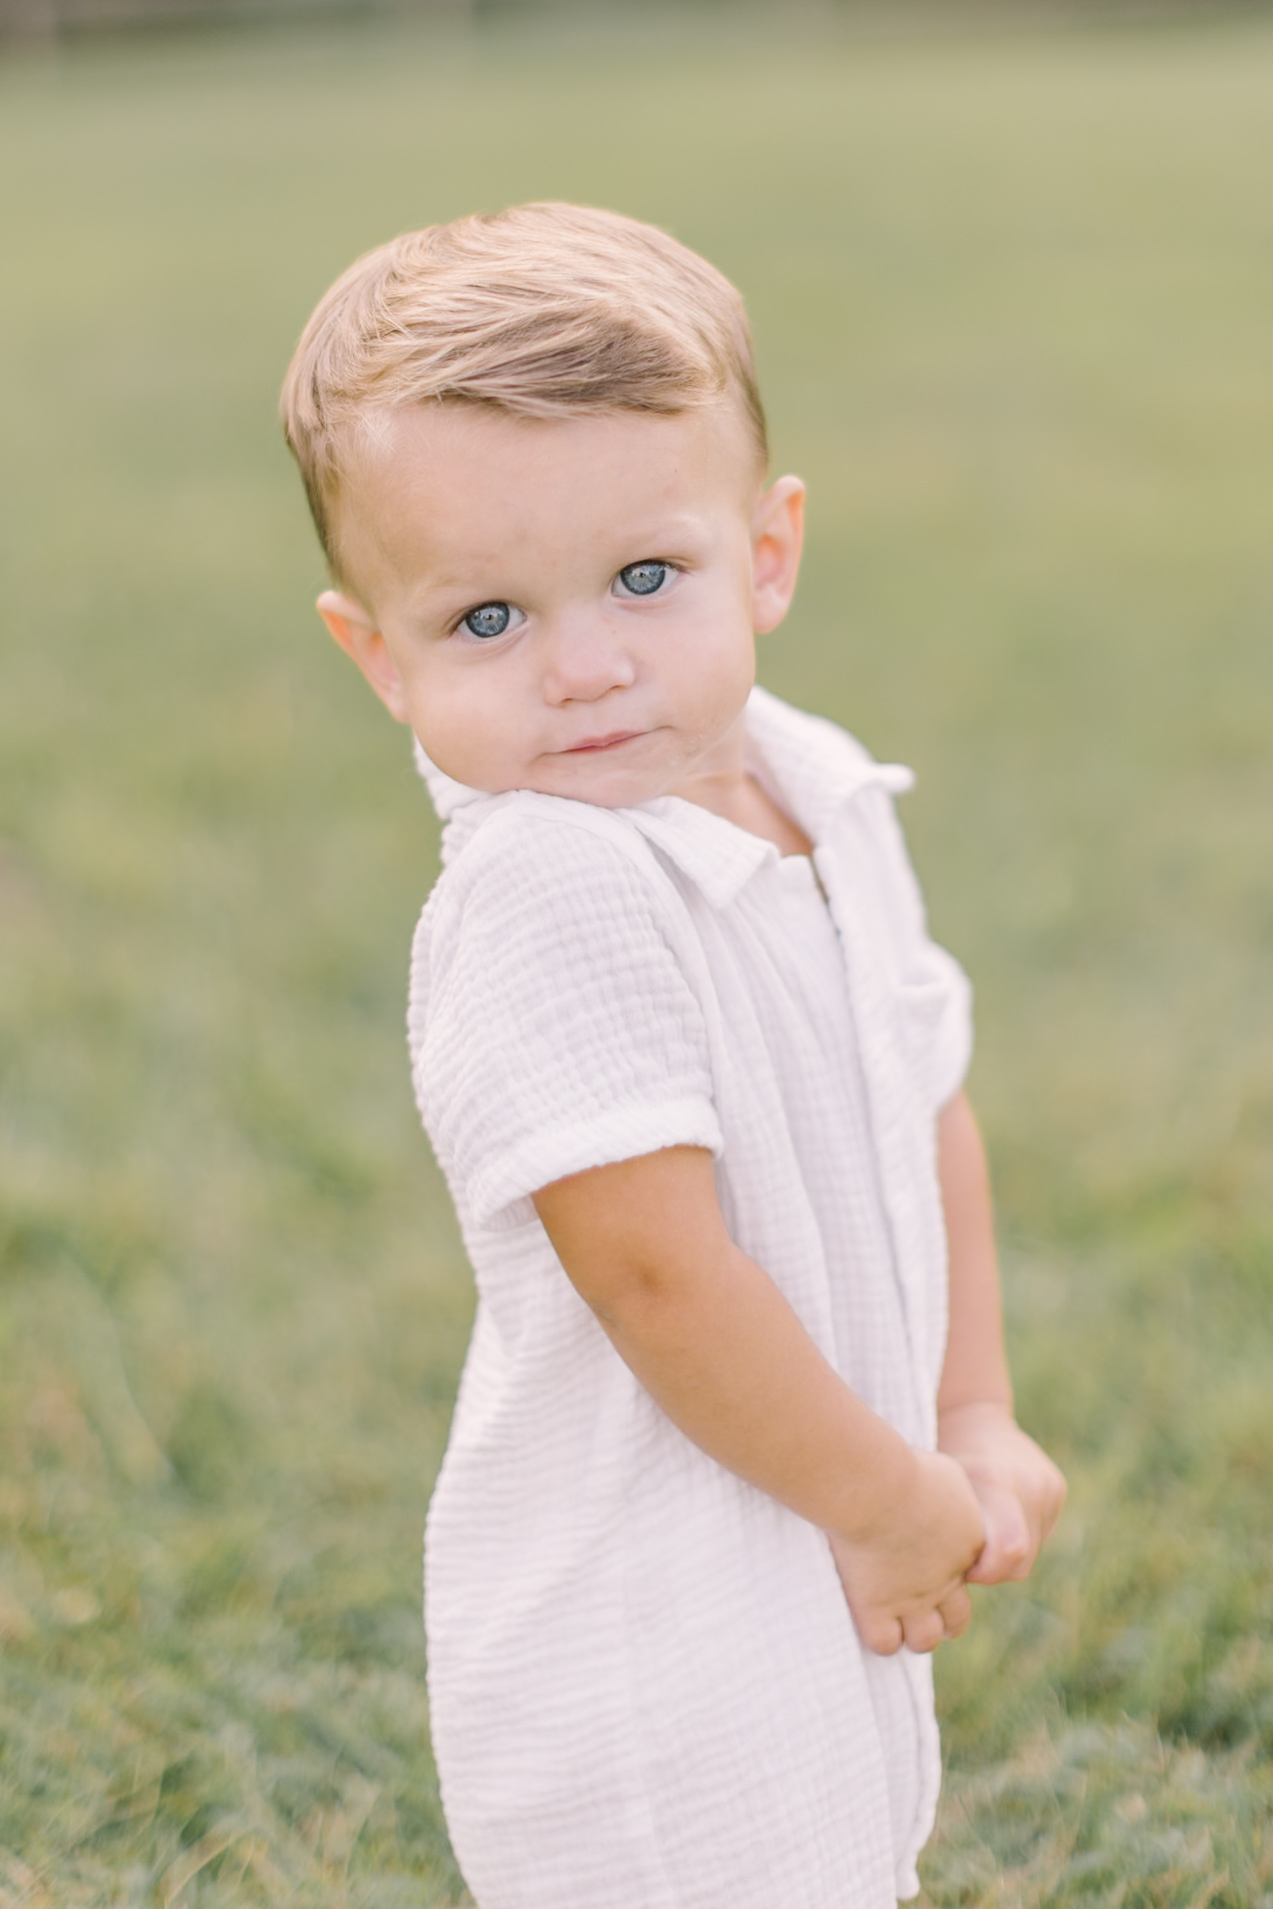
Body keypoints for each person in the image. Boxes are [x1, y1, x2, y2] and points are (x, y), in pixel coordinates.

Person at [280, 203, 1066, 1909]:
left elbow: (924, 1098)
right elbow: (653, 1272)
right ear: (376, 657)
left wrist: (969, 1407)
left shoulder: (819, 784)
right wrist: (881, 1499)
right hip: (653, 1615)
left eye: (646, 578)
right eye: (485, 618)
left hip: (827, 1515)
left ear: (765, 553)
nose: (583, 667)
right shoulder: (548, 884)